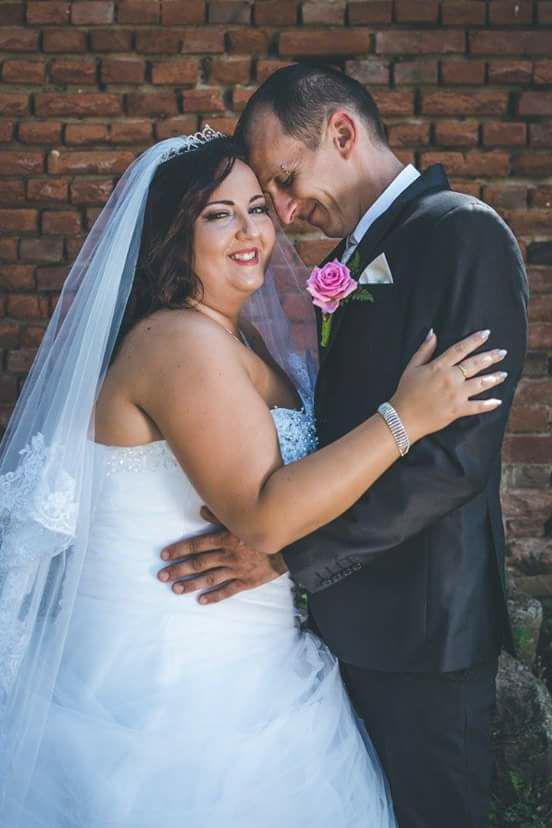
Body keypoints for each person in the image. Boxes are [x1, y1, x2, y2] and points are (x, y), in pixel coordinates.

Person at [0, 130, 506, 828]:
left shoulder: (234, 337)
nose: (250, 231)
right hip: (172, 684)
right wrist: (405, 418)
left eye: (258, 209)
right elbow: (263, 517)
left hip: (249, 657)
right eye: (219, 214)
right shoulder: (178, 342)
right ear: (174, 234)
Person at [160, 66, 529, 827]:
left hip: (424, 630)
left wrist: (289, 555)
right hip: (345, 622)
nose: (284, 212)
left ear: (342, 132)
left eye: (284, 182)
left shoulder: (463, 233)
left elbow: (456, 462)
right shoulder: (354, 256)